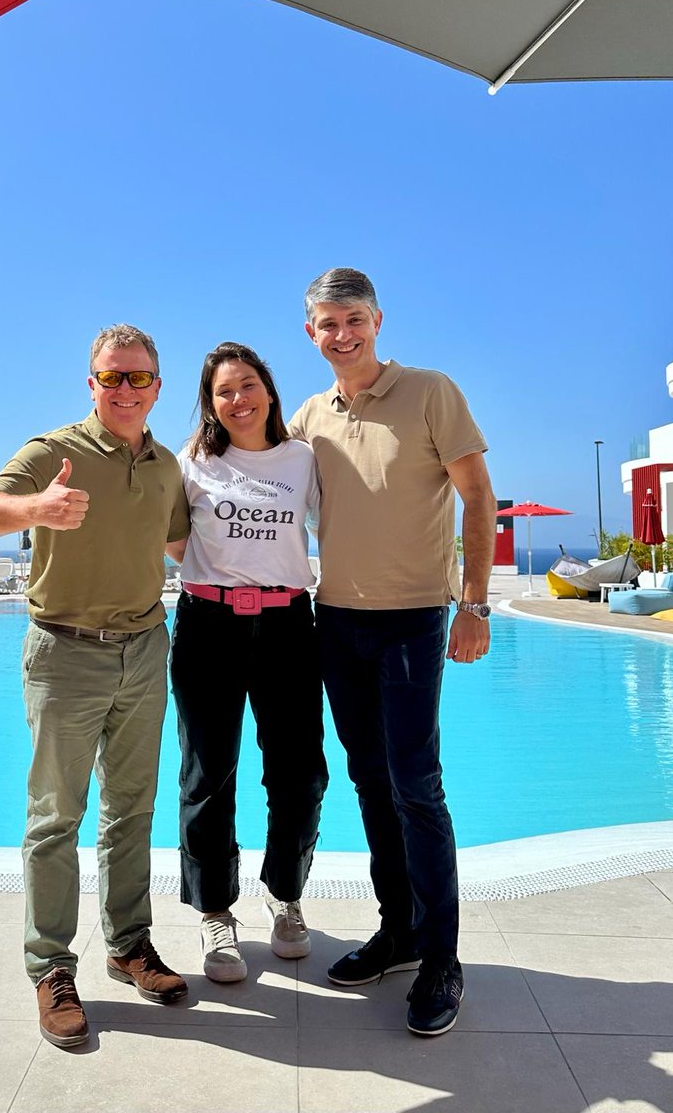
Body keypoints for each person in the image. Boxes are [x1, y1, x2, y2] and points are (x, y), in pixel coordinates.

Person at [0, 324, 191, 1049]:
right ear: (91, 385)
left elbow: (187, 544)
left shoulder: (165, 466)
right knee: (54, 817)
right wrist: (33, 510)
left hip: (146, 649)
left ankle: (128, 946)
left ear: (157, 386)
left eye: (138, 377)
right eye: (111, 378)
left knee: (130, 811)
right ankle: (52, 968)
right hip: (64, 653)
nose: (125, 390)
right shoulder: (52, 451)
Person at [289, 268, 495, 1037]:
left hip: (413, 619)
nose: (340, 335)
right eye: (326, 324)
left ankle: (441, 957)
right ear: (309, 332)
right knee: (370, 781)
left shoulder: (431, 391)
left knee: (415, 783)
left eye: (352, 320)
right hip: (335, 622)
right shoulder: (309, 414)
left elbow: (478, 496)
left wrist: (470, 604)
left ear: (376, 320)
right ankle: (398, 929)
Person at [167, 342, 327, 983]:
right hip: (208, 625)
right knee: (208, 775)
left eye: (248, 385)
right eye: (223, 391)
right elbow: (175, 538)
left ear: (268, 389)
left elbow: (336, 524)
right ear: (210, 402)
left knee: (300, 772)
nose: (238, 399)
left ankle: (285, 896)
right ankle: (215, 912)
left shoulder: (303, 460)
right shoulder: (195, 461)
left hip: (289, 625)